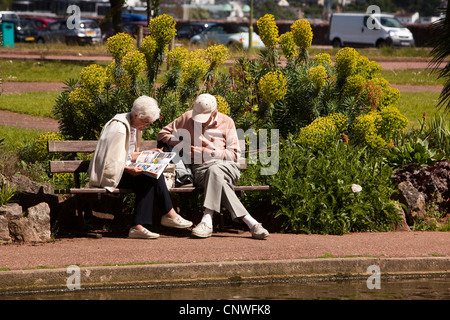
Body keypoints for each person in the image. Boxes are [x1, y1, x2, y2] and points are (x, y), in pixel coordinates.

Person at [158, 94, 269, 240]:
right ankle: (251, 223)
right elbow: (162, 134)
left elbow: (234, 155)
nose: (201, 123)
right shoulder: (187, 118)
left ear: (214, 113)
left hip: (227, 168)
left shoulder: (227, 122)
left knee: (215, 170)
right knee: (214, 174)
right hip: (201, 171)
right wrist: (183, 145)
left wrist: (209, 153)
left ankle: (207, 219)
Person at [88, 96, 193, 239]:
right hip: (110, 175)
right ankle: (167, 214)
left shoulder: (133, 125)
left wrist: (147, 154)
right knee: (150, 176)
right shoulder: (119, 128)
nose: (146, 126)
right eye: (146, 122)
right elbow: (109, 159)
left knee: (151, 176)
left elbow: (127, 154)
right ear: (136, 115)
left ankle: (140, 225)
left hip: (122, 171)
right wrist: (128, 169)